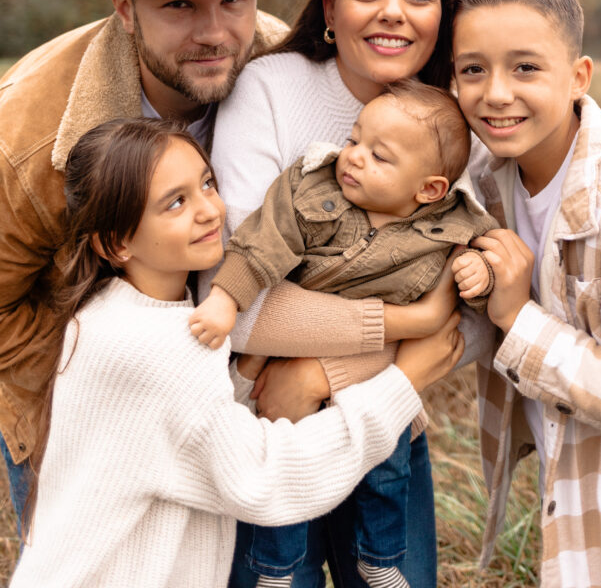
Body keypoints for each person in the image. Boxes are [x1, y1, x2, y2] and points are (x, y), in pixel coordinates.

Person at [10, 117, 463, 588]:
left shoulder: (108, 316)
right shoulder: (149, 347)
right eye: (176, 202)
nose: (210, 210)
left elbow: (188, 429)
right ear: (117, 242)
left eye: (207, 183)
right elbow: (265, 478)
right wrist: (401, 384)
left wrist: (246, 372)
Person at [0, 0, 318, 530]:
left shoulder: (286, 76)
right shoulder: (28, 139)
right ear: (124, 6)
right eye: (179, 5)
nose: (213, 31)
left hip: (238, 394)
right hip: (78, 394)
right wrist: (85, 384)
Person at [207, 0, 494, 588]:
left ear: (441, 18)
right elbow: (238, 299)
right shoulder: (269, 91)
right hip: (265, 424)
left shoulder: (464, 127)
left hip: (386, 416)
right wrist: (414, 325)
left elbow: (478, 319)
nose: (393, 13)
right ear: (330, 10)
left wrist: (320, 375)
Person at [451, 0, 601, 588]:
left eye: (525, 68)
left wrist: (518, 320)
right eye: (473, 69)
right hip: (570, 491)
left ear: (578, 76)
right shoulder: (485, 181)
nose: (496, 93)